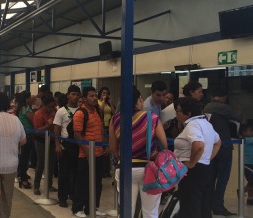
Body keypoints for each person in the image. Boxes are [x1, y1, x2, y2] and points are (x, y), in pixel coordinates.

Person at [109, 86, 168, 218]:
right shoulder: (151, 117)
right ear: (139, 99)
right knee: (150, 211)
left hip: (125, 168)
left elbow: (112, 148)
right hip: (149, 169)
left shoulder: (116, 119)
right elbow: (164, 144)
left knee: (126, 211)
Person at [173, 97, 221, 218]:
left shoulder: (192, 125)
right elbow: (218, 142)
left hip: (193, 172)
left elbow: (199, 145)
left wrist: (192, 163)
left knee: (191, 206)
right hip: (205, 169)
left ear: (188, 113)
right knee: (203, 206)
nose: (176, 114)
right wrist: (208, 158)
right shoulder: (206, 124)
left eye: (178, 111)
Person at [203, 89, 242, 216]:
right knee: (223, 178)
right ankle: (218, 206)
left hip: (210, 147)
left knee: (211, 177)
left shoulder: (207, 106)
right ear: (224, 97)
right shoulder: (224, 107)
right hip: (224, 146)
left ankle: (208, 205)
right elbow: (239, 117)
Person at [71, 86, 106, 217]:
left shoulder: (96, 112)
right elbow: (77, 135)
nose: (94, 98)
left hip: (99, 154)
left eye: (95, 95)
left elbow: (101, 130)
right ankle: (78, 208)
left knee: (97, 183)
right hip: (85, 155)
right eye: (91, 96)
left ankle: (92, 207)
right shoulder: (80, 113)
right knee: (83, 182)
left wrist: (103, 146)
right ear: (84, 99)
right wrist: (87, 152)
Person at [53, 85, 81, 208]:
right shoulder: (61, 111)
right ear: (68, 95)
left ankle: (74, 195)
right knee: (64, 173)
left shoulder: (81, 110)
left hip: (78, 146)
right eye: (73, 94)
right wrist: (57, 145)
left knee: (76, 173)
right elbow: (56, 129)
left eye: (77, 94)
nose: (75, 96)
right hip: (65, 145)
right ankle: (62, 197)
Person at [32, 94, 57, 195]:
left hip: (51, 140)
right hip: (41, 141)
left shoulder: (54, 112)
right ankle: (36, 186)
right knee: (41, 163)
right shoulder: (38, 114)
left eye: (53, 106)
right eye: (50, 106)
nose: (52, 108)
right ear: (45, 105)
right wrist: (48, 125)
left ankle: (49, 185)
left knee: (51, 163)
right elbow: (37, 131)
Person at [15, 91, 34, 189]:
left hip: (21, 134)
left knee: (23, 156)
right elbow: (33, 120)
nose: (31, 99)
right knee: (25, 157)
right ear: (26, 98)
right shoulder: (26, 109)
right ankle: (23, 178)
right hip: (27, 135)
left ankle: (22, 174)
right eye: (30, 97)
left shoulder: (19, 108)